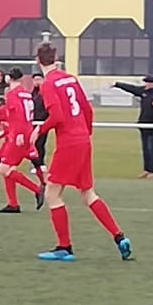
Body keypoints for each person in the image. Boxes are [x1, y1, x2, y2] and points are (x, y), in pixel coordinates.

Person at [33, 44, 131, 262]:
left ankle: (64, 248)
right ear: (56, 58)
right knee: (88, 194)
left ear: (37, 60)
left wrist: (39, 129)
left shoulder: (48, 84)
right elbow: (88, 110)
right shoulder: (70, 79)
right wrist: (86, 134)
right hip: (83, 140)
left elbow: (57, 117)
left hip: (68, 143)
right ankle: (119, 237)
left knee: (52, 194)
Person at [0, 67, 45, 214]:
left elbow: (19, 113)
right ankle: (13, 204)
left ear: (9, 78)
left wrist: (19, 133)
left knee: (4, 168)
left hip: (18, 136)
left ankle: (37, 190)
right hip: (25, 133)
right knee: (9, 168)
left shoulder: (12, 94)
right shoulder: (26, 93)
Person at [114, 75, 153, 178]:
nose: (145, 84)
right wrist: (118, 84)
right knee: (145, 149)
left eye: (147, 82)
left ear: (152, 84)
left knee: (151, 148)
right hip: (142, 124)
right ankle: (147, 170)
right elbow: (132, 88)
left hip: (152, 125)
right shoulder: (143, 92)